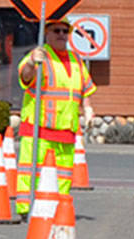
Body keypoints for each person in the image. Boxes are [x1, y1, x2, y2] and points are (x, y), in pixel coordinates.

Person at [10, 18, 96, 210]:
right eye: (56, 30)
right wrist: (32, 63)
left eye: (65, 31)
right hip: (39, 129)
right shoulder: (39, 55)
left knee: (64, 174)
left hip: (66, 129)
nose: (61, 35)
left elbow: (84, 89)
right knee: (31, 171)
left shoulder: (76, 60)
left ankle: (58, 207)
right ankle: (27, 208)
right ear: (46, 33)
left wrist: (88, 109)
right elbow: (25, 76)